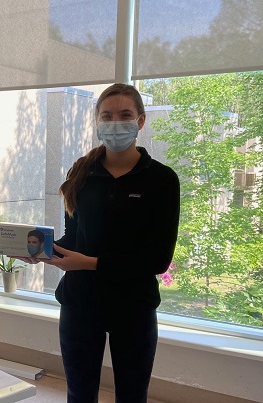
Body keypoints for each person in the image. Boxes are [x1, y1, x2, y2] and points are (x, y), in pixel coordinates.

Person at [28, 83, 180, 402]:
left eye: (125, 115)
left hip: (133, 307)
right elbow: (76, 238)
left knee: (132, 395)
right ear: (97, 121)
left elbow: (157, 259)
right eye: (107, 116)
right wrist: (42, 249)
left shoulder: (162, 181)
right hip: (80, 304)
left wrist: (90, 263)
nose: (115, 123)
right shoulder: (81, 174)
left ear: (140, 120)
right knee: (79, 394)